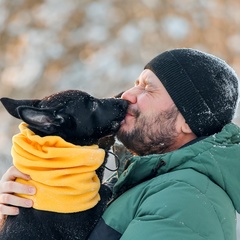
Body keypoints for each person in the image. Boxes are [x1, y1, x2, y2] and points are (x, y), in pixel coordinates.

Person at [0, 48, 240, 240]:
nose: (127, 94)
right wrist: (21, 217)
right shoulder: (145, 184)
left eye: (148, 88)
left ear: (187, 121)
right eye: (135, 83)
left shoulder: (186, 201)